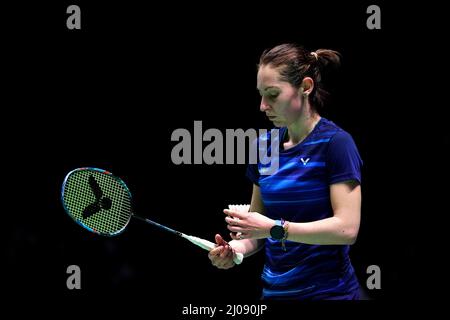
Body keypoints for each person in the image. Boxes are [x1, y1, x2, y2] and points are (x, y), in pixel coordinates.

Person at [208, 43, 363, 300]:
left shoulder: (336, 144)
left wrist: (275, 228)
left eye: (272, 94)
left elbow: (347, 229)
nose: (262, 105)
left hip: (329, 294)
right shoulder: (264, 147)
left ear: (305, 87)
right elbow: (258, 229)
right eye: (260, 94)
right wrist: (235, 250)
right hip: (275, 294)